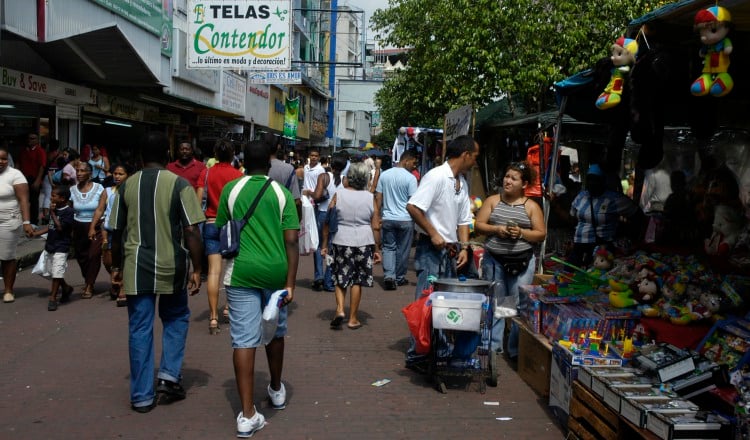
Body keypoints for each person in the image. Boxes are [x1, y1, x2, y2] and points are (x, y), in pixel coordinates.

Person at [109, 131, 205, 414]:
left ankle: (141, 396)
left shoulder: (125, 187)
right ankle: (169, 375)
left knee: (139, 328)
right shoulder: (179, 185)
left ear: (140, 156)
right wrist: (197, 268)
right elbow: (191, 231)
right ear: (168, 156)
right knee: (175, 317)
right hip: (171, 265)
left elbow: (116, 232)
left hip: (136, 267)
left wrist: (116, 267)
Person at [215, 139, 298, 437]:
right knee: (275, 332)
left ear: (243, 162)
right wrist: (290, 282)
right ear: (270, 163)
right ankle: (276, 388)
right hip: (276, 274)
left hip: (241, 272)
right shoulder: (282, 193)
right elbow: (291, 240)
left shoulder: (231, 190)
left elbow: (222, 228)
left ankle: (247, 413)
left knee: (243, 339)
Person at [404, 135, 479, 369]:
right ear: (465, 154)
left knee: (447, 303)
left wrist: (465, 247)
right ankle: (419, 354)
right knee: (426, 303)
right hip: (431, 249)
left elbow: (464, 220)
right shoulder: (436, 176)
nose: (476, 161)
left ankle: (442, 350)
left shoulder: (462, 182)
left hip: (452, 250)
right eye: (475, 156)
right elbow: (413, 207)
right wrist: (433, 232)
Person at [475, 162, 546, 356]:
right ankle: (494, 345)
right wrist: (497, 229)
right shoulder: (493, 201)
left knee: (519, 305)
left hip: (521, 262)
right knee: (499, 302)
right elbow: (479, 225)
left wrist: (521, 233)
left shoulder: (531, 206)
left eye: (513, 178)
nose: (508, 181)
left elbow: (540, 234)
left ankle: (514, 349)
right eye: (507, 176)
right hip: (495, 259)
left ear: (524, 184)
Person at [321, 162, 381, 330]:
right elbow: (375, 226)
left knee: (339, 275)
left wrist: (324, 244)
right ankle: (353, 318)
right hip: (364, 241)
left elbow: (327, 221)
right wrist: (377, 249)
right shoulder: (370, 197)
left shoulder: (338, 195)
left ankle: (340, 309)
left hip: (341, 240)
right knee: (357, 280)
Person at [195, 139, 243, 334]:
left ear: (215, 154)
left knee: (214, 272)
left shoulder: (206, 173)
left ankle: (213, 316)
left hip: (211, 223)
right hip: (230, 226)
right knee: (232, 269)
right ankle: (228, 307)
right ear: (233, 155)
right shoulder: (237, 175)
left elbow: (198, 201)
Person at [569, 164, 639, 267]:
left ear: (602, 181)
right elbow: (572, 216)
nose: (592, 183)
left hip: (600, 249)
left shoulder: (614, 199)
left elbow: (637, 214)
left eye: (595, 179)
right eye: (590, 179)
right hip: (579, 246)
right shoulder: (582, 196)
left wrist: (630, 235)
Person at [88, 164, 131, 306]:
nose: (117, 176)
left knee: (125, 259)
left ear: (128, 176)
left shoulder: (132, 191)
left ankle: (124, 287)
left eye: (121, 174)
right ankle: (115, 279)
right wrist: (92, 226)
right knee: (108, 260)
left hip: (127, 231)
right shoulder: (108, 191)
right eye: (115, 173)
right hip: (110, 231)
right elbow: (100, 209)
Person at [375, 150, 418, 290]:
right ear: (406, 160)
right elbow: (413, 201)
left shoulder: (385, 175)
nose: (414, 166)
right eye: (413, 163)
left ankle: (389, 276)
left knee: (388, 247)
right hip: (405, 219)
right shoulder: (411, 178)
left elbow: (378, 197)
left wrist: (377, 216)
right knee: (403, 249)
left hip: (388, 218)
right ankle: (399, 277)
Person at [0, 145, 35, 303]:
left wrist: (26, 222)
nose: (1, 161)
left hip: (9, 221)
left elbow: (24, 200)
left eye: (4, 159)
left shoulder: (15, 175)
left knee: (7, 257)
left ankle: (8, 290)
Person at [32, 185, 75, 311]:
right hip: (51, 245)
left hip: (61, 246)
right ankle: (66, 288)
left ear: (62, 199)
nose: (51, 198)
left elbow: (60, 227)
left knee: (57, 272)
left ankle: (53, 297)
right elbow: (51, 226)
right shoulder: (55, 210)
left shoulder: (68, 212)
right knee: (52, 272)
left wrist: (52, 212)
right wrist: (36, 234)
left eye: (53, 196)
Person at [70, 162, 105, 298]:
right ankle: (88, 279)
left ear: (89, 173)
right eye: (77, 171)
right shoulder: (72, 190)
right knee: (82, 256)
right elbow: (69, 208)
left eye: (82, 171)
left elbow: (101, 208)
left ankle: (90, 285)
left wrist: (94, 226)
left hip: (95, 226)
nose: (79, 173)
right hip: (78, 226)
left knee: (94, 255)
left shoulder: (99, 188)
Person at [310, 155, 341, 292]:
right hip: (337, 214)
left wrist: (308, 192)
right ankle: (329, 280)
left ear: (331, 164)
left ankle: (319, 277)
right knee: (331, 247)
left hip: (322, 213)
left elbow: (317, 196)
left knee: (318, 245)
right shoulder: (346, 179)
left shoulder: (324, 176)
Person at [301, 148, 326, 290]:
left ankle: (320, 277)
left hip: (316, 204)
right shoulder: (305, 168)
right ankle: (319, 276)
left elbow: (321, 190)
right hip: (307, 204)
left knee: (317, 239)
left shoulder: (320, 170)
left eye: (316, 156)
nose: (314, 157)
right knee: (311, 235)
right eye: (312, 155)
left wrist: (310, 192)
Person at [18, 133, 47, 224]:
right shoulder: (23, 151)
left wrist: (38, 181)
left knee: (34, 201)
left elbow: (42, 166)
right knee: (24, 199)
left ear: (37, 140)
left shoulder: (40, 151)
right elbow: (18, 163)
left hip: (34, 178)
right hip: (23, 178)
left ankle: (34, 221)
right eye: (29, 138)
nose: (30, 140)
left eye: (33, 138)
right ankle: (25, 219)